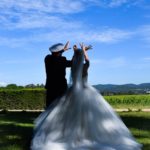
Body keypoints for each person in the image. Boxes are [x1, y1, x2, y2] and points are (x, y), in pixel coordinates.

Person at [31, 44, 142, 150]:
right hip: (72, 88)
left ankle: (51, 132)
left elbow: (72, 62)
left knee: (56, 113)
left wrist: (71, 52)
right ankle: (83, 133)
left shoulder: (50, 59)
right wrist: (82, 52)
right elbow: (83, 61)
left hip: (59, 88)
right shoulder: (75, 64)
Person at [44, 41, 72, 108]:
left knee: (50, 106)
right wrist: (76, 53)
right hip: (61, 86)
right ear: (59, 52)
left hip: (50, 86)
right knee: (61, 107)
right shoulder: (62, 60)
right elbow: (71, 63)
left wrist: (62, 50)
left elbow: (55, 56)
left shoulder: (47, 58)